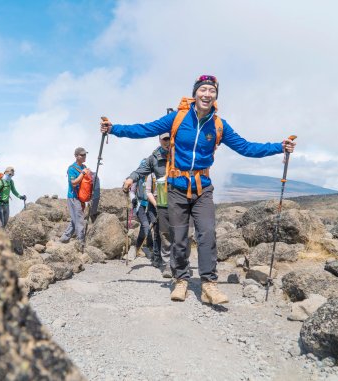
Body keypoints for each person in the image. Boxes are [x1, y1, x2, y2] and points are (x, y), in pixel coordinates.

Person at [100, 74, 296, 304]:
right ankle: (181, 280)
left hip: (203, 187)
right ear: (195, 94)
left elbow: (246, 147)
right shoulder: (177, 118)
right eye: (203, 89)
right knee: (179, 237)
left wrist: (279, 147)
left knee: (207, 234)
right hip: (176, 188)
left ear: (215, 97)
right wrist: (114, 129)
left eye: (211, 91)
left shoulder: (219, 125)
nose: (207, 94)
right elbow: (144, 129)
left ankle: (209, 285)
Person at [124, 133, 173, 278]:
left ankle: (153, 254)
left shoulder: (153, 175)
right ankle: (144, 251)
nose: (167, 141)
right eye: (164, 138)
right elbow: (141, 190)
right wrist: (134, 199)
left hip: (154, 204)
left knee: (157, 229)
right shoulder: (149, 168)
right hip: (143, 205)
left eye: (169, 138)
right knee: (149, 228)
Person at [60, 147, 90, 246]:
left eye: (85, 154)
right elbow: (73, 183)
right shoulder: (71, 169)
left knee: (75, 219)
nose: (84, 156)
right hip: (73, 197)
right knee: (79, 219)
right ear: (76, 156)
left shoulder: (84, 167)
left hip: (81, 198)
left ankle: (64, 238)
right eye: (82, 155)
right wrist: (83, 173)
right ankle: (80, 242)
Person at [129, 163, 153, 258]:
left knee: (144, 228)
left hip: (150, 205)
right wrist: (133, 199)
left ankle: (137, 248)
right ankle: (151, 247)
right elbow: (132, 191)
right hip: (140, 205)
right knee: (146, 225)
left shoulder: (152, 176)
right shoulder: (137, 177)